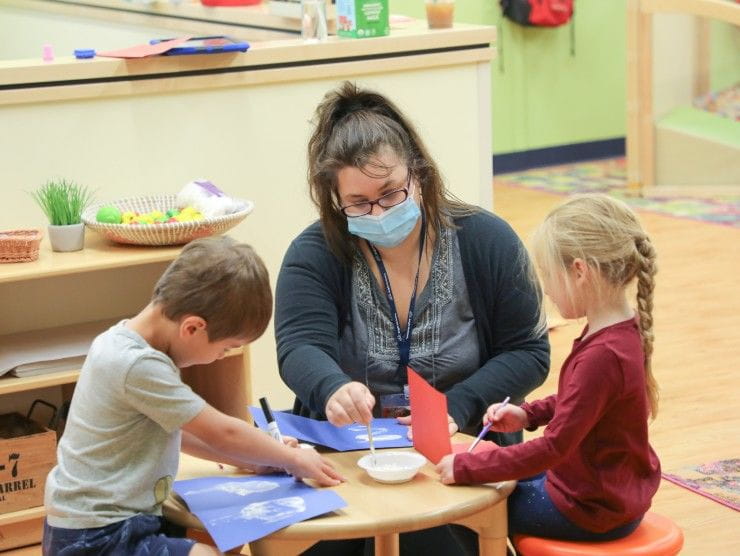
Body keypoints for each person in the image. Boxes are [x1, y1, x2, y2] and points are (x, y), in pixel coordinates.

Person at [274, 81, 549, 553]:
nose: (378, 212)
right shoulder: (314, 252)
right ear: (336, 203)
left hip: (458, 449)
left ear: (418, 175)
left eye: (391, 193)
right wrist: (331, 387)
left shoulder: (486, 240)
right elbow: (298, 346)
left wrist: (457, 406)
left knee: (433, 538)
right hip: (349, 456)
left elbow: (528, 351)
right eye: (359, 204)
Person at [43, 237, 343, 556]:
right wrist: (292, 458)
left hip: (114, 523)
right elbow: (222, 431)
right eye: (226, 347)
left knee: (230, 534)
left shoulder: (124, 342)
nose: (221, 356)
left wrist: (257, 460)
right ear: (193, 328)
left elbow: (178, 433)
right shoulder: (137, 365)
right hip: (97, 536)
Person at [436, 194, 661, 543]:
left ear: (580, 272)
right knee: (500, 477)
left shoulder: (604, 354)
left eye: (547, 274)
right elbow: (583, 402)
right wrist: (527, 415)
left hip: (591, 509)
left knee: (471, 502)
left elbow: (554, 448)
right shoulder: (620, 330)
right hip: (606, 492)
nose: (547, 290)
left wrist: (465, 467)